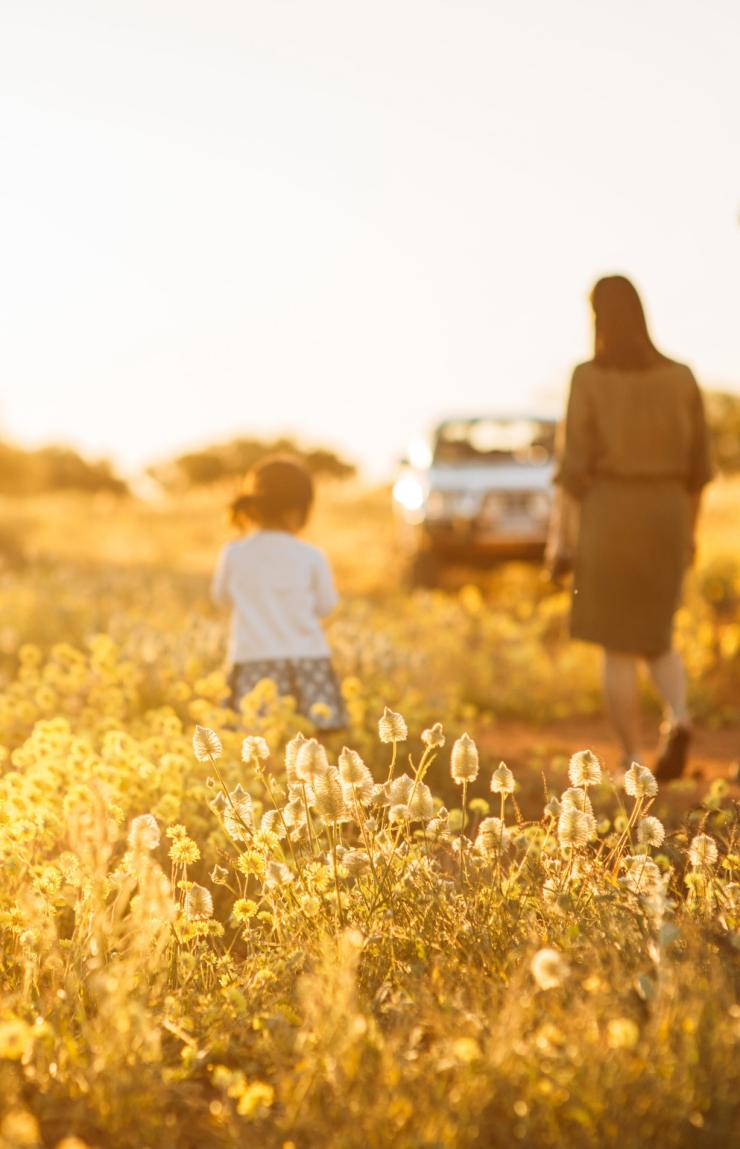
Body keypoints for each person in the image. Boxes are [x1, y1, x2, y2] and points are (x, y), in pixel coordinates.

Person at [547, 275, 713, 779]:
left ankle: (633, 761)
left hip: (610, 514)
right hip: (666, 512)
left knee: (616, 646)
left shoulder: (587, 377)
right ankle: (679, 719)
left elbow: (572, 470)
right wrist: (688, 531)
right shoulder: (682, 377)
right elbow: (699, 470)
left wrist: (560, 541)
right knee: (658, 636)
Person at [212, 454, 347, 731]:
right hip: (307, 662)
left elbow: (221, 598)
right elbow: (327, 606)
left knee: (260, 747)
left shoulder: (234, 553)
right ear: (299, 510)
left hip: (252, 662)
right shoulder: (311, 555)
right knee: (310, 747)